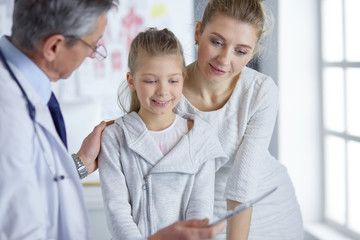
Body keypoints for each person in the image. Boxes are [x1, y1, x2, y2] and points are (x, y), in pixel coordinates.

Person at [0, 0, 226, 239]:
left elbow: (33, 188)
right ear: (54, 46)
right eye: (92, 43)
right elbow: (19, 223)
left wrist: (80, 164)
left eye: (172, 80)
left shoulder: (29, 95)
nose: (93, 53)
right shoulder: (8, 114)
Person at [174, 0, 304, 239]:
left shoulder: (260, 91)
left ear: (251, 53)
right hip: (198, 212)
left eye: (240, 51)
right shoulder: (168, 91)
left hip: (268, 207)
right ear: (197, 32)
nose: (224, 59)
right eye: (216, 42)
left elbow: (242, 184)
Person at [98, 28, 228, 240]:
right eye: (151, 81)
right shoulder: (114, 138)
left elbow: (200, 212)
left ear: (183, 79)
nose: (163, 91)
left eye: (173, 81)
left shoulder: (200, 138)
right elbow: (118, 214)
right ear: (131, 81)